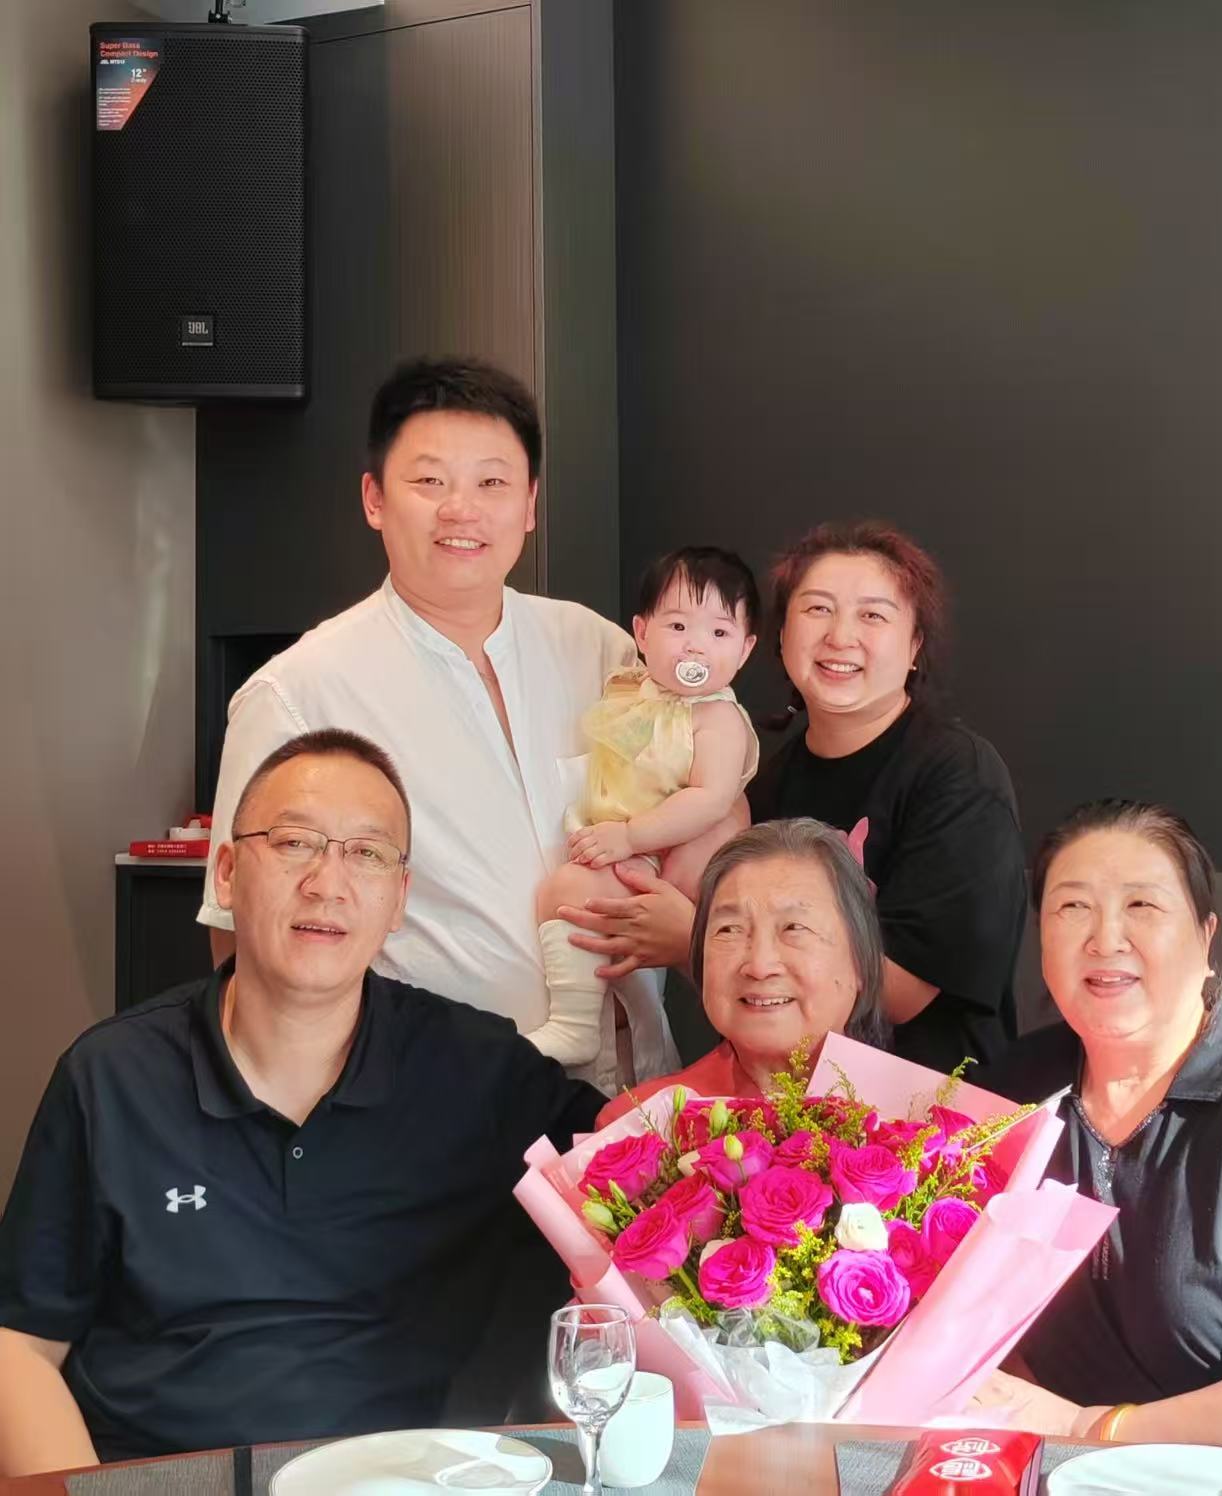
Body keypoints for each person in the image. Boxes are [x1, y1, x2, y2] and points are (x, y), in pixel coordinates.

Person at [0, 731, 606, 1477]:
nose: (328, 883)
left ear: (398, 899)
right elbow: (20, 1344)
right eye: (294, 843)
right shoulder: (112, 1078)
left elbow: (653, 1165)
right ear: (226, 873)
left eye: (367, 854)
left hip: (402, 1480)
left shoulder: (479, 1071)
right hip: (161, 1474)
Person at [198, 356, 676, 1096]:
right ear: (374, 498)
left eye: (492, 483)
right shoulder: (298, 692)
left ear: (529, 503)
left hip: (640, 1090)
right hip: (437, 1098)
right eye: (429, 481)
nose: (461, 510)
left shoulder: (601, 652)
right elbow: (240, 934)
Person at [564, 521, 1027, 1072]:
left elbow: (908, 993)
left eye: (873, 616)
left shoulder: (957, 775)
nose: (840, 636)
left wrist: (691, 937)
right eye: (818, 609)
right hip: (788, 1106)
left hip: (927, 1108)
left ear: (914, 646)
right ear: (780, 637)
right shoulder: (762, 787)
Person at [969, 800, 1222, 1454]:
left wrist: (1086, 1428)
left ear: (1205, 937)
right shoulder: (1008, 1091)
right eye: (1072, 906)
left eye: (1141, 905)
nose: (1105, 938)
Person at [530, 547, 760, 1067]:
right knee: (559, 893)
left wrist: (631, 836)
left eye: (719, 633)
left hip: (663, 854)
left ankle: (576, 1024)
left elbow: (710, 799)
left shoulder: (717, 720)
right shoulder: (631, 690)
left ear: (745, 649)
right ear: (641, 633)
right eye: (678, 626)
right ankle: (583, 1018)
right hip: (617, 837)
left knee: (569, 892)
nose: (695, 646)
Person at [598, 818, 887, 1127]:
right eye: (729, 929)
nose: (759, 966)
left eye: (794, 927)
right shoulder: (638, 1127)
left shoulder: (918, 1112)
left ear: (860, 961)